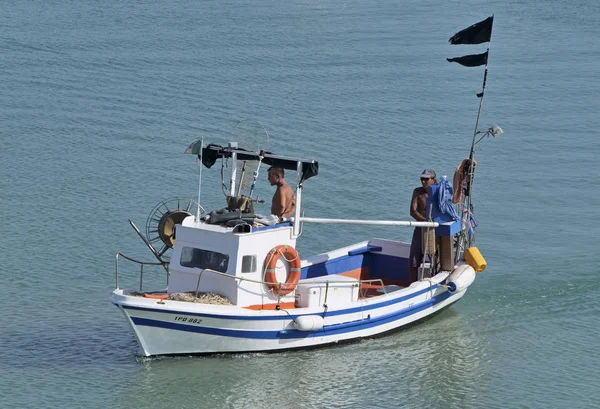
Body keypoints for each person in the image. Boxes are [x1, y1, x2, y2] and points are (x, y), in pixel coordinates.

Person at [408, 169, 437, 282]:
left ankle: (435, 281)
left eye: (426, 179)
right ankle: (412, 284)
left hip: (435, 230)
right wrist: (425, 221)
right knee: (414, 260)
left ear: (433, 180)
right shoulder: (418, 192)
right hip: (421, 228)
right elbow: (413, 211)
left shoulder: (439, 191)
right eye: (422, 179)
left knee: (435, 258)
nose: (423, 182)